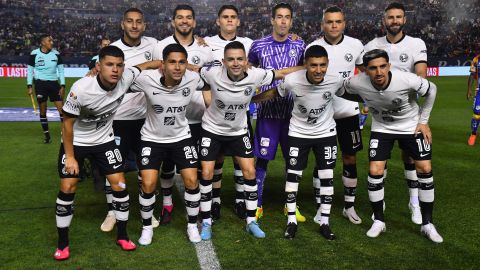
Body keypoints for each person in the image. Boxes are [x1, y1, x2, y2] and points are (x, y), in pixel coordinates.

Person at [53, 45, 162, 260]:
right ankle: (63, 243)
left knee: (120, 184)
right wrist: (72, 157)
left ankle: (122, 235)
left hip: (105, 141)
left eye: (119, 65)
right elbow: (67, 125)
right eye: (109, 65)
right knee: (68, 185)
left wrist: (169, 64)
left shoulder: (126, 77)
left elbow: (146, 65)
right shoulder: (81, 88)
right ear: (98, 66)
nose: (115, 70)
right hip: (77, 142)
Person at [198, 41, 302, 240]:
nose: (235, 63)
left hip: (238, 131)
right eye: (230, 59)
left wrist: (306, 66)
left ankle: (251, 221)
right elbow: (193, 71)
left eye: (239, 59)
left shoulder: (256, 75)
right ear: (223, 62)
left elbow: (282, 73)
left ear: (247, 61)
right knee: (207, 173)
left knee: (250, 171)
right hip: (212, 130)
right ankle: (206, 222)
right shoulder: (212, 74)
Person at [338, 49, 443, 243]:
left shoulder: (406, 79)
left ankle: (427, 224)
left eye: (382, 66)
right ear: (365, 70)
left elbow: (432, 90)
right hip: (382, 128)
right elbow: (340, 90)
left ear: (389, 66)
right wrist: (366, 98)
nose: (378, 72)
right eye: (373, 68)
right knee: (375, 170)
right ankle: (379, 220)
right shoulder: (357, 82)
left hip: (411, 126)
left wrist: (424, 121)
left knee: (425, 168)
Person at [252, 45, 343, 240]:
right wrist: (251, 99)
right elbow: (275, 93)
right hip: (298, 133)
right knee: (293, 177)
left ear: (327, 64)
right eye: (313, 65)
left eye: (322, 65)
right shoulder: (293, 80)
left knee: (327, 176)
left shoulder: (336, 80)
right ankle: (291, 220)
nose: (318, 70)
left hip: (325, 133)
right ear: (305, 65)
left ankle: (324, 221)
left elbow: (355, 92)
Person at [131, 44, 206, 245]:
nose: (177, 67)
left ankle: (192, 226)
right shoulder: (147, 79)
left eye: (182, 62)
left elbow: (218, 75)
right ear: (162, 65)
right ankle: (147, 228)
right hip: (152, 138)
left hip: (181, 137)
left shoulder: (193, 78)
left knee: (191, 180)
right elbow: (125, 73)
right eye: (171, 62)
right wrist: (152, 63)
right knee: (147, 184)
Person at [364, 2, 428, 225]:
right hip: (382, 115)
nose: (394, 21)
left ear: (404, 19)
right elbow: (365, 74)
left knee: (411, 158)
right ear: (384, 20)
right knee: (380, 161)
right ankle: (379, 204)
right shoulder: (372, 44)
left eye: (398, 17)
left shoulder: (416, 44)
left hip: (408, 113)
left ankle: (414, 202)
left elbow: (421, 75)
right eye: (390, 17)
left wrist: (400, 88)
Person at [99, 8, 161, 232]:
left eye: (139, 22)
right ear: (122, 24)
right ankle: (112, 212)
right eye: (130, 22)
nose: (134, 26)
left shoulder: (153, 45)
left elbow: (175, 50)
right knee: (114, 170)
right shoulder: (113, 49)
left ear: (144, 25)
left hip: (146, 121)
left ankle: (148, 211)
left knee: (147, 170)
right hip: (117, 121)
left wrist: (201, 41)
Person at [153, 4, 214, 225]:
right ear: (173, 22)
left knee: (194, 165)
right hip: (169, 119)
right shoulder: (161, 47)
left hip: (198, 118)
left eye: (189, 18)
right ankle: (167, 204)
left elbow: (211, 79)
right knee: (167, 166)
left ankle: (195, 208)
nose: (184, 21)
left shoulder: (205, 49)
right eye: (180, 18)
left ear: (194, 22)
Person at [306, 6, 365, 225]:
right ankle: (321, 204)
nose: (333, 25)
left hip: (348, 111)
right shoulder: (313, 47)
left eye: (337, 21)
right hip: (323, 113)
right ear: (322, 24)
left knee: (350, 157)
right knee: (323, 159)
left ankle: (349, 206)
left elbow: (365, 73)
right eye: (329, 22)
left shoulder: (356, 45)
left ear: (344, 23)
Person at [248, 2, 306, 221]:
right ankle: (257, 204)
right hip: (267, 113)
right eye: (279, 17)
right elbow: (250, 69)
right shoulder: (257, 45)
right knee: (261, 160)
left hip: (294, 115)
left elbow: (307, 68)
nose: (283, 21)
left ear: (291, 21)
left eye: (287, 17)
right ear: (272, 20)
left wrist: (281, 73)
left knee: (293, 161)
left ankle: (291, 206)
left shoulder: (300, 45)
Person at [204, 4, 254, 220]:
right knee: (217, 159)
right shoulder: (205, 44)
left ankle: (241, 200)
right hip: (215, 113)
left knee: (240, 158)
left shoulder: (250, 44)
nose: (229, 20)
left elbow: (258, 70)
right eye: (225, 17)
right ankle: (215, 201)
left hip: (240, 113)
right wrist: (209, 103)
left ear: (239, 21)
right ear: (218, 21)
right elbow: (203, 77)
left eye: (233, 17)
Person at [27, 34, 65, 144]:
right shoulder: (34, 54)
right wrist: (29, 86)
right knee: (43, 111)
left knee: (62, 111)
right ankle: (47, 136)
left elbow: (61, 71)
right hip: (40, 85)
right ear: (43, 42)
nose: (52, 42)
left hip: (54, 84)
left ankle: (64, 134)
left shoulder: (56, 54)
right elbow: (30, 71)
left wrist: (62, 85)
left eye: (52, 40)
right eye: (49, 41)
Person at [467, 53, 480, 146]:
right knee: (477, 113)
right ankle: (473, 134)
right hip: (479, 91)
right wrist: (469, 89)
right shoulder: (476, 60)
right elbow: (472, 75)